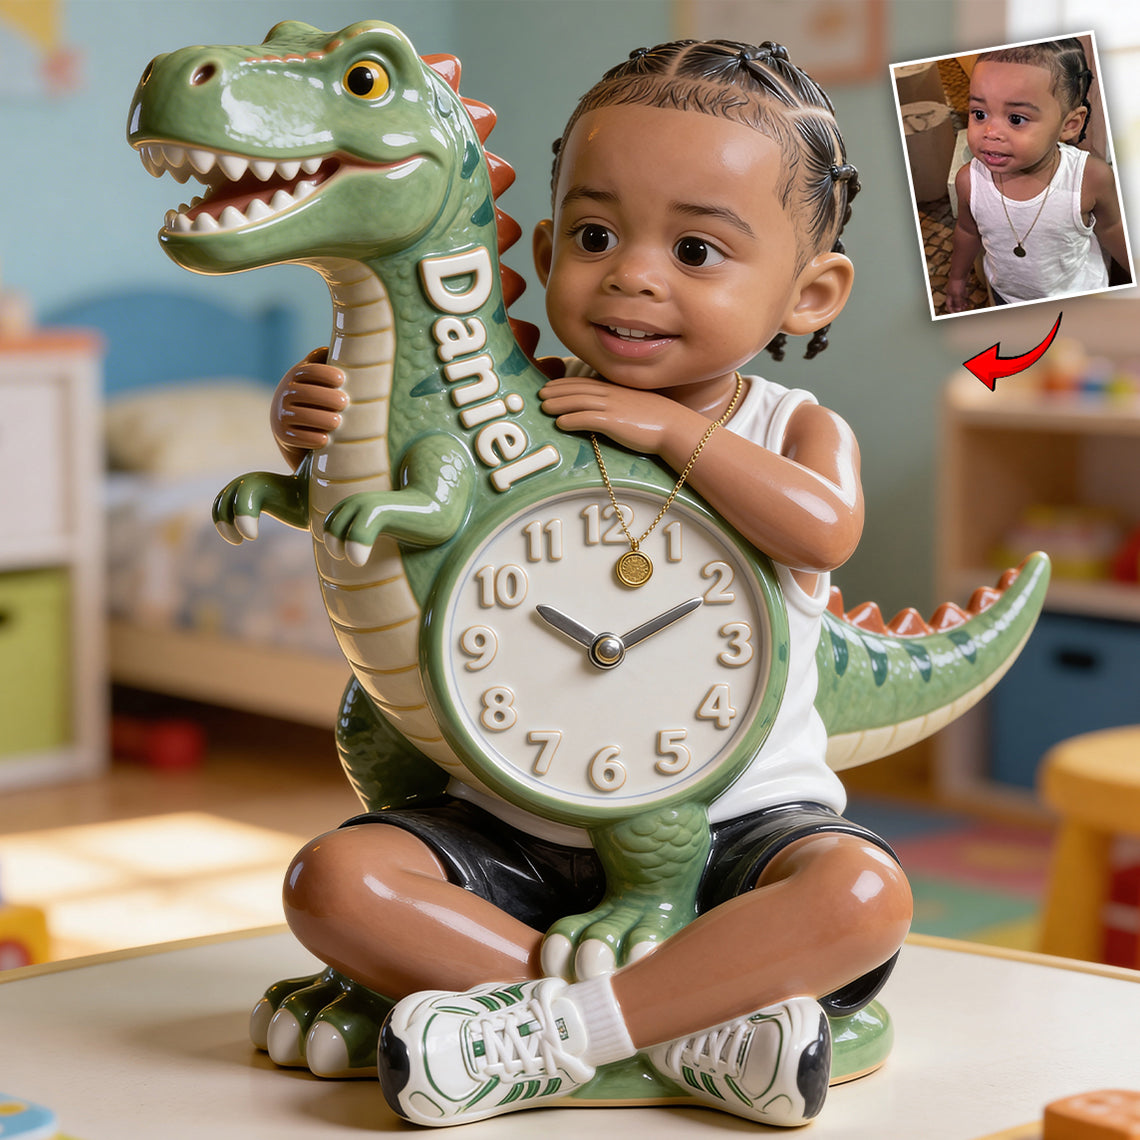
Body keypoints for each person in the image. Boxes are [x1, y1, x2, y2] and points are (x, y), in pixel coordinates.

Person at [272, 39, 911, 1128]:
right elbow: (401, 480)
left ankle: (540, 1037)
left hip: (738, 830)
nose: (633, 274)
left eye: (697, 250)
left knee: (860, 896)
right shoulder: (510, 409)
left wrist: (668, 431)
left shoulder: (793, 427)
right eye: (595, 235)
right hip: (506, 829)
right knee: (334, 884)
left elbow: (826, 526)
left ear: (811, 293)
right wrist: (315, 425)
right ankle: (690, 1028)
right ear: (547, 243)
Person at [945, 38, 1127, 313]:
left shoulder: (1089, 178)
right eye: (979, 114)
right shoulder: (970, 181)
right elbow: (968, 230)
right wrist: (957, 278)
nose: (990, 132)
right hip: (1008, 296)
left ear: (1069, 124)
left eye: (1016, 119)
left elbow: (1112, 228)